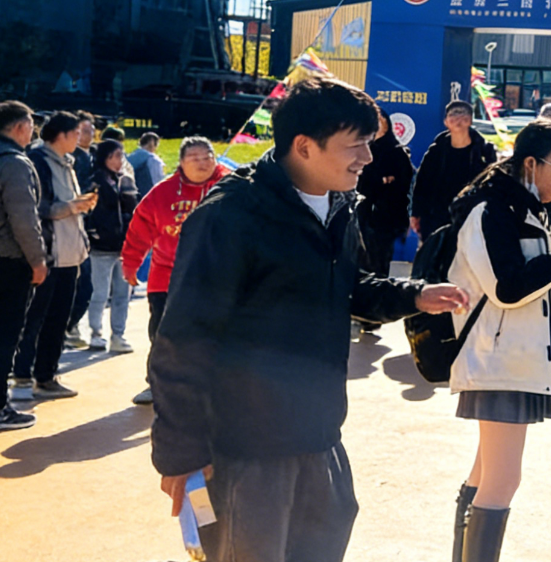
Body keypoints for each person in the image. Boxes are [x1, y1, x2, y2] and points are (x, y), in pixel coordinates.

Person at [149, 78, 469, 562]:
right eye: (356, 145)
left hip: (319, 436)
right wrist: (181, 452)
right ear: (303, 146)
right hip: (246, 451)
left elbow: (348, 284)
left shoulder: (338, 204)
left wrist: (416, 295)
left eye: (369, 143)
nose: (367, 157)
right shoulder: (230, 217)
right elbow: (182, 340)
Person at [440, 120, 551, 562]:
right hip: (498, 361)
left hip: (513, 360)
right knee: (503, 480)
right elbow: (508, 289)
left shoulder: (522, 208)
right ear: (530, 163)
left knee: (486, 474)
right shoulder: (491, 210)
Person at [120, 137, 229, 404]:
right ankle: (157, 385)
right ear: (181, 163)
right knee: (162, 335)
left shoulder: (231, 187)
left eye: (208, 157)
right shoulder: (162, 193)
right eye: (195, 159)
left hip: (215, 277)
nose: (203, 163)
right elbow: (139, 229)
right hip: (166, 277)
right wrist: (131, 263)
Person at [9, 111, 93, 403]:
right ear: (64, 135)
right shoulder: (38, 162)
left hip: (71, 254)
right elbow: (39, 209)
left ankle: (46, 376)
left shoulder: (70, 162)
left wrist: (80, 206)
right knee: (35, 319)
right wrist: (72, 206)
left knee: (58, 319)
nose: (82, 138)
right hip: (48, 254)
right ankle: (22, 377)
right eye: (78, 132)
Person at [0, 101, 47, 431]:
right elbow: (24, 219)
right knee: (4, 334)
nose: (34, 130)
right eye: (31, 124)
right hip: (7, 261)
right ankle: (0, 408)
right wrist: (38, 260)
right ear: (18, 127)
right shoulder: (14, 163)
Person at [410, 100, 498, 239]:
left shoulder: (484, 150)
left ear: (470, 120)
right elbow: (422, 184)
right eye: (453, 114)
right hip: (437, 215)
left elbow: (493, 183)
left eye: (463, 113)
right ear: (446, 122)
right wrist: (416, 213)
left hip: (471, 215)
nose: (458, 118)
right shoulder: (436, 150)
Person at [83, 140, 137, 353]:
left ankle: (118, 334)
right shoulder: (95, 181)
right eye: (114, 156)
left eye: (120, 156)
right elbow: (88, 213)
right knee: (100, 293)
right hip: (102, 246)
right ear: (104, 158)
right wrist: (94, 234)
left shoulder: (125, 181)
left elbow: (133, 211)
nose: (118, 161)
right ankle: (96, 333)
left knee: (123, 293)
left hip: (125, 247)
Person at [356, 108, 415, 278]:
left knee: (380, 260)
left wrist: (378, 181)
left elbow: (402, 182)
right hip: (362, 212)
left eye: (381, 119)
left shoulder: (397, 151)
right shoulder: (361, 148)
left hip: (385, 215)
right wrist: (381, 180)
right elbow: (358, 178)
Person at [62, 110, 96, 349]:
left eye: (92, 130)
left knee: (86, 286)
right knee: (79, 285)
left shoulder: (96, 155)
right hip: (70, 227)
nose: (89, 135)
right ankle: (66, 326)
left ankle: (69, 325)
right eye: (83, 131)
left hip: (91, 228)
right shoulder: (69, 159)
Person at [126, 131, 166, 200]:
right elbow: (158, 182)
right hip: (148, 199)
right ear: (151, 142)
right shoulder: (153, 159)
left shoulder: (130, 157)